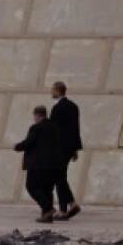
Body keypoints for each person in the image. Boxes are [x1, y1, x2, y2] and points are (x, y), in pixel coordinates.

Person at [15, 105, 63, 223]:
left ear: (36, 115)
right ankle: (47, 216)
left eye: (34, 115)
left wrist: (17, 146)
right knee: (47, 189)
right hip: (53, 164)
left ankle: (48, 209)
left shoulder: (36, 128)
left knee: (32, 187)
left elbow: (29, 143)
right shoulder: (55, 127)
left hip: (37, 164)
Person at [50, 81, 83, 221]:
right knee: (60, 177)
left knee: (59, 177)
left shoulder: (57, 109)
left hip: (59, 148)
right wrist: (75, 149)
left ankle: (65, 209)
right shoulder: (73, 106)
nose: (50, 92)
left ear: (57, 91)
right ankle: (71, 205)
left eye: (52, 90)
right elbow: (75, 129)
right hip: (69, 148)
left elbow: (53, 131)